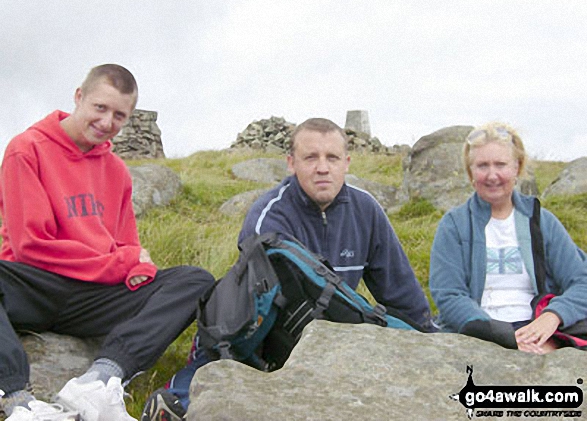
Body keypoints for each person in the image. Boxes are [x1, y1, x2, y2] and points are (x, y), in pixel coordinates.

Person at [141, 117, 433, 421]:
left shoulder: (366, 209)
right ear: (291, 163)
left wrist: (431, 341)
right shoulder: (268, 216)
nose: (323, 168)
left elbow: (402, 293)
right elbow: (261, 305)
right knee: (222, 375)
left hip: (325, 332)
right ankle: (174, 402)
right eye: (311, 157)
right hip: (253, 328)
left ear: (346, 163)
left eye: (332, 158)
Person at [0, 64, 214, 421]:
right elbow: (31, 246)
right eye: (100, 108)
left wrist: (132, 267)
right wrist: (121, 263)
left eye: (119, 115)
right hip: (36, 285)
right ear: (79, 96)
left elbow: (130, 251)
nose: (107, 121)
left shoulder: (116, 171)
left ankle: (100, 381)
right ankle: (19, 400)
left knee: (195, 280)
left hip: (94, 295)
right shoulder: (27, 149)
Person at [429, 122, 587, 354]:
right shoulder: (454, 225)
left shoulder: (542, 222)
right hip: (476, 331)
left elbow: (581, 281)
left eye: (500, 164)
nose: (492, 175)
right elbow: (448, 294)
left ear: (517, 167)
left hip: (537, 329)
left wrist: (553, 316)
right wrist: (499, 335)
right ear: (471, 172)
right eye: (482, 166)